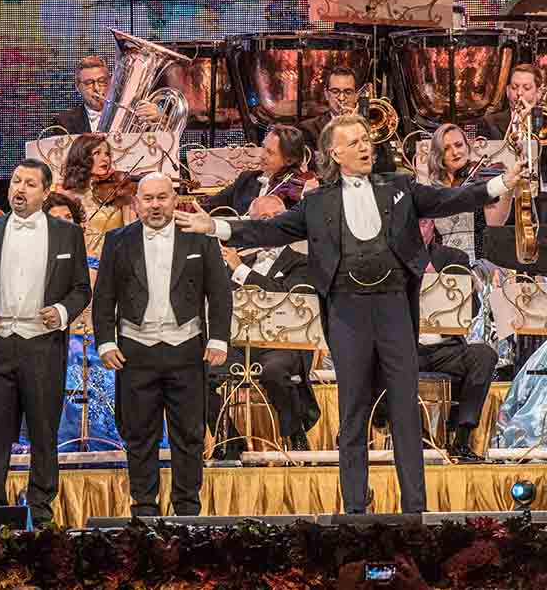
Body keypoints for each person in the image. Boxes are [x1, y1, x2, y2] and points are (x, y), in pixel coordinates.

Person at [175, 114, 523, 514]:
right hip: (347, 312)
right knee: (354, 407)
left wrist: (500, 185)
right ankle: (355, 508)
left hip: (393, 305)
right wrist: (217, 227)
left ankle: (416, 509)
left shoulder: (400, 187)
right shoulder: (317, 201)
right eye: (354, 141)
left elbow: (450, 200)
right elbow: (268, 230)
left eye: (366, 140)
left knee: (405, 406)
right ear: (334, 153)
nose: (364, 146)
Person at [0, 158, 91, 525]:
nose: (19, 188)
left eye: (30, 183)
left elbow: (81, 289)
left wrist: (62, 313)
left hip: (42, 346)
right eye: (16, 181)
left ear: (46, 192)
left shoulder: (67, 235)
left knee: (44, 432)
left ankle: (42, 511)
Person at [93, 172, 232, 517]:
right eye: (148, 199)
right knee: (140, 436)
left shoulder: (199, 239)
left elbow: (219, 292)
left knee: (189, 435)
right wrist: (106, 343)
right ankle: (144, 509)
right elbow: (104, 297)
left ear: (174, 199)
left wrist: (218, 338)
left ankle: (187, 510)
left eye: (162, 197)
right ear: (137, 203)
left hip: (186, 348)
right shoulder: (117, 241)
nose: (155, 205)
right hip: (134, 352)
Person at [219, 195, 320, 450]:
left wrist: (240, 270)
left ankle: (294, 433)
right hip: (240, 345)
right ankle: (230, 440)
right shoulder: (237, 261)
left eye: (276, 218)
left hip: (283, 345)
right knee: (195, 371)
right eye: (262, 220)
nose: (271, 225)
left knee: (273, 370)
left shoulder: (303, 262)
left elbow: (289, 301)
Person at [416, 226, 498, 462]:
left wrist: (435, 279)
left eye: (424, 223)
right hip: (406, 348)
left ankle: (461, 438)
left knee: (483, 355)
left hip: (446, 347)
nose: (419, 229)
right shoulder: (388, 258)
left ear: (432, 226)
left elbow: (471, 309)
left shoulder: (453, 258)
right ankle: (417, 437)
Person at [426, 123, 517, 263]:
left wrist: (508, 187)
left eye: (459, 145)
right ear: (438, 154)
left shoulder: (480, 180)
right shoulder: (432, 188)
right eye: (446, 149)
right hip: (442, 265)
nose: (455, 152)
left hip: (479, 262)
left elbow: (495, 222)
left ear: (467, 147)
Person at [202, 125, 314, 216]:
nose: (262, 155)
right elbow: (211, 204)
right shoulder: (247, 178)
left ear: (289, 160)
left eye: (270, 152)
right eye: (263, 147)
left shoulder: (296, 189)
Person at [59, 133, 134, 256]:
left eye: (107, 154)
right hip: (84, 262)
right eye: (97, 153)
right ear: (82, 157)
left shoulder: (120, 194)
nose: (105, 159)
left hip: (116, 262)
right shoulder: (68, 196)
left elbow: (131, 232)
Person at [50, 56, 159, 134]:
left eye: (102, 81)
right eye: (89, 83)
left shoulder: (132, 116)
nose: (97, 88)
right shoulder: (63, 122)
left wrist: (160, 122)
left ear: (111, 83)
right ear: (78, 87)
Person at [478, 63, 541, 141]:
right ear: (507, 91)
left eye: (526, 88)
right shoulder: (489, 122)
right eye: (514, 87)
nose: (519, 93)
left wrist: (530, 122)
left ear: (538, 93)